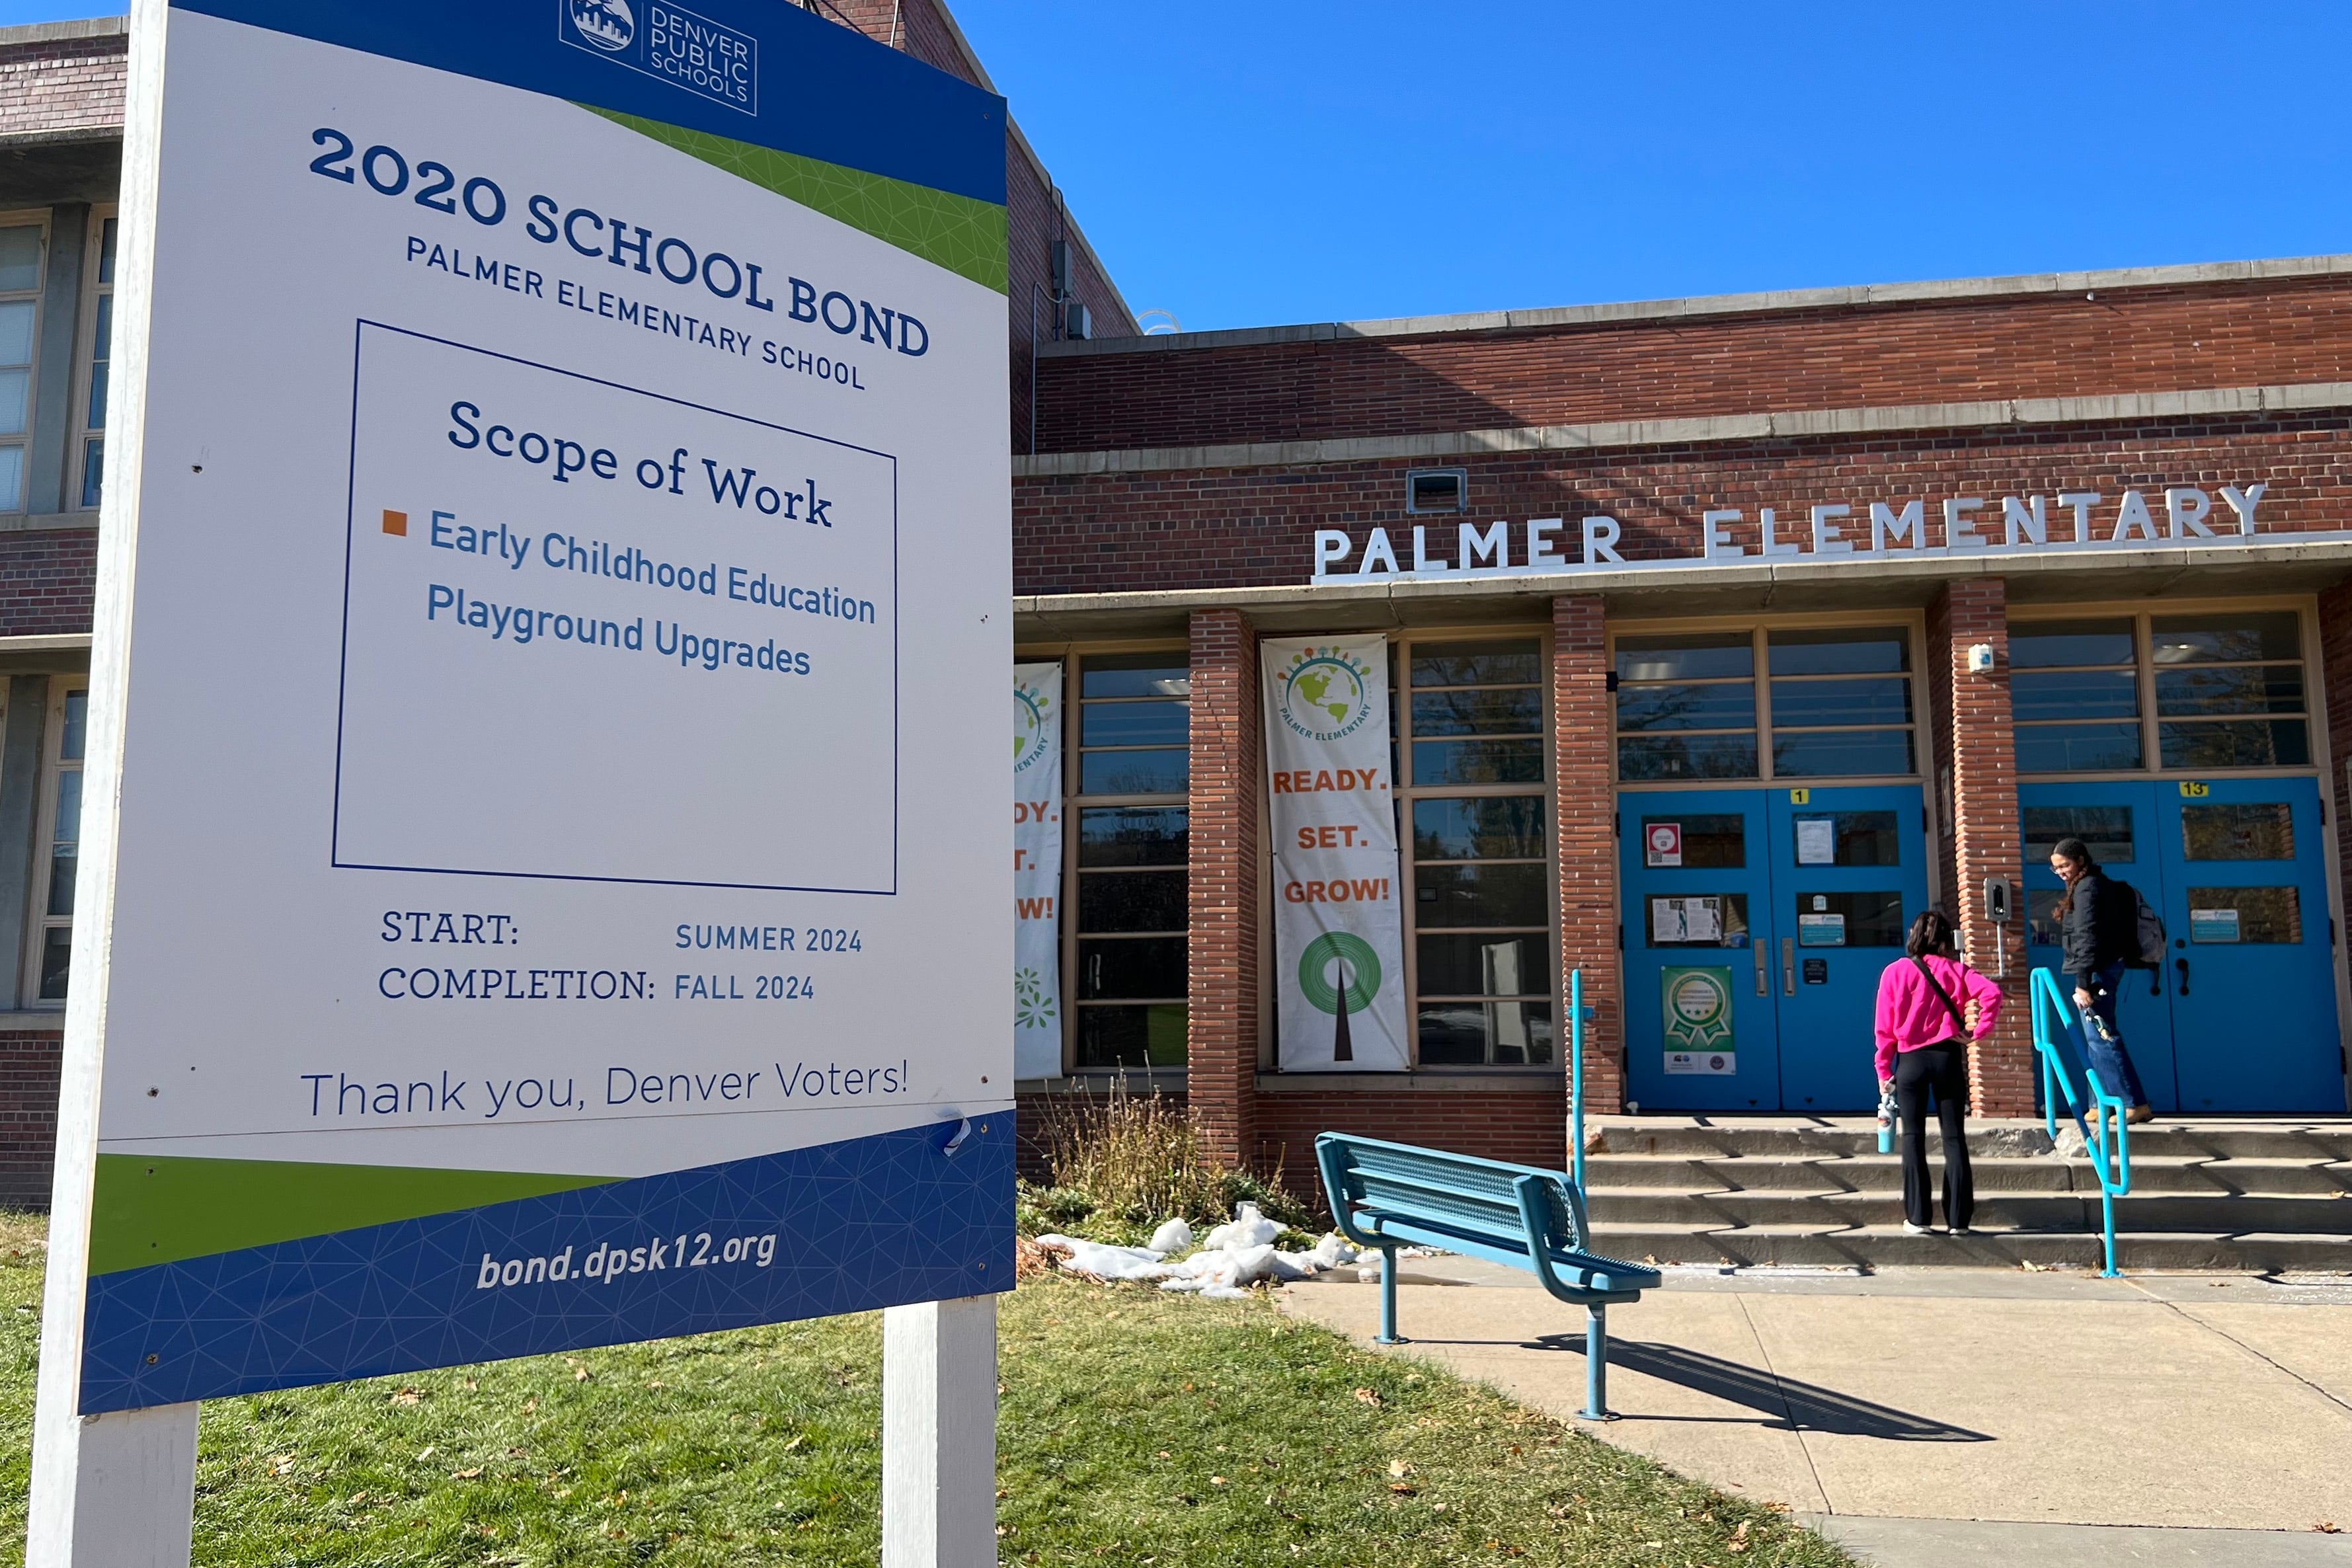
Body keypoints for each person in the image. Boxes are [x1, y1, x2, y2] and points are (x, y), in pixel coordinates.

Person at [1873, 910, 2002, 1235]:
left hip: (1911, 1062)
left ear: (1913, 936)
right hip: (1947, 1057)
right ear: (1946, 938)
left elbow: (1884, 1029)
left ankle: (1918, 1218)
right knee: (1954, 1138)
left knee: (1913, 1138)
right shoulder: (1957, 970)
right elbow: (1992, 993)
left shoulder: (1895, 972)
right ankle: (1959, 1220)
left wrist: (1883, 1069)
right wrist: (1977, 1030)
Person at [2049, 836, 2156, 1124]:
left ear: (2081, 861)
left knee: (2103, 1036)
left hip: (2097, 973)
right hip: (2102, 968)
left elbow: (2087, 938)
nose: (2061, 871)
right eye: (2056, 868)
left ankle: (2133, 1103)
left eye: (2065, 865)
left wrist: (2082, 983)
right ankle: (2101, 1102)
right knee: (2096, 1038)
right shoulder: (2091, 886)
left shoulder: (2088, 889)